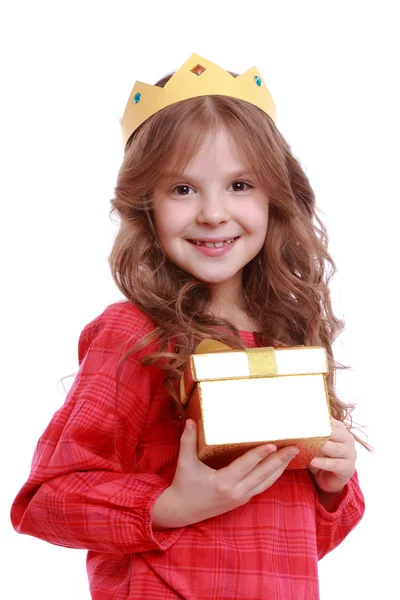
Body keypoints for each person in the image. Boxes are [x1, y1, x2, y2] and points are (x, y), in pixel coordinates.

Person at [10, 53, 365, 600]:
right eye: (182, 189)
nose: (213, 213)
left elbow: (295, 548)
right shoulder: (134, 334)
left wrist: (333, 485)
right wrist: (171, 505)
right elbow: (47, 501)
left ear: (276, 196)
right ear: (146, 206)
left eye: (240, 185)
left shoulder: (286, 340)